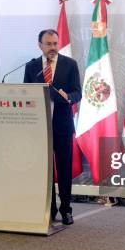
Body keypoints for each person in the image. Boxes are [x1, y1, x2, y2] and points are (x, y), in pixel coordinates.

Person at [23, 29, 82, 225]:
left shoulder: (70, 64)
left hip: (62, 125)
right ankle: (49, 209)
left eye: (55, 43)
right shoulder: (31, 67)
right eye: (48, 44)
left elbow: (77, 93)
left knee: (64, 169)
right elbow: (26, 93)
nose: (52, 47)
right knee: (44, 170)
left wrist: (69, 97)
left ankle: (66, 209)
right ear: (40, 45)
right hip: (39, 126)